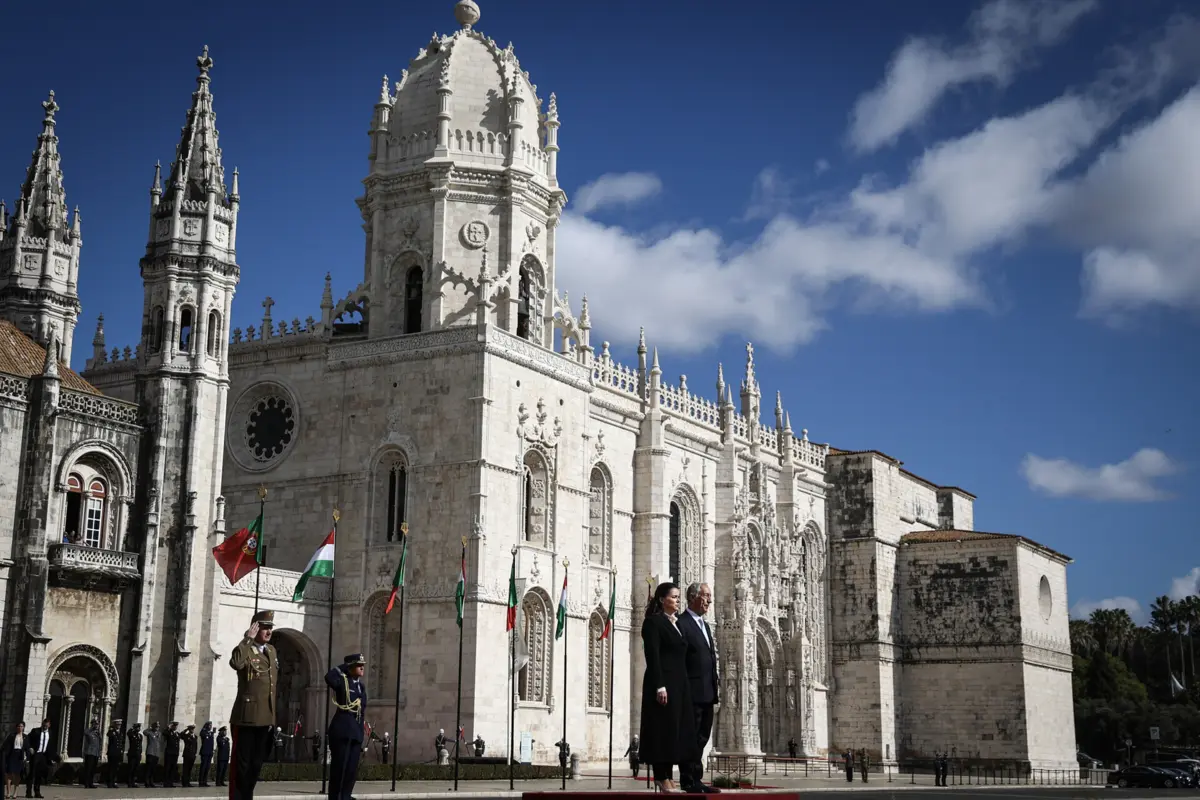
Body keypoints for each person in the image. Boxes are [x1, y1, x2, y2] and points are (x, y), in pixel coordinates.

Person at [638, 582, 698, 793]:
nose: (677, 600)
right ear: (662, 599)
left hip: (679, 684)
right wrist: (659, 686)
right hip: (663, 684)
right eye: (673, 597)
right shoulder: (653, 623)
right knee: (662, 729)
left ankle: (670, 776)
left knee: (675, 730)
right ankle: (661, 776)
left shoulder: (676, 624)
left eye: (678, 597)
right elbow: (652, 656)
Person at [229, 609, 279, 799]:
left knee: (256, 764)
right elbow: (236, 663)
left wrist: (273, 718)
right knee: (242, 766)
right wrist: (247, 639)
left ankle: (247, 796)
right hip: (247, 717)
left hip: (266, 717)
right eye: (264, 628)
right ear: (255, 628)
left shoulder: (271, 651)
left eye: (270, 628)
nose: (269, 632)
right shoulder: (246, 649)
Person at [679, 582, 719, 794]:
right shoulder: (682, 623)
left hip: (707, 692)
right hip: (692, 692)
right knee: (691, 737)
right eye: (706, 595)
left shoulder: (705, 625)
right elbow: (681, 660)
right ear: (693, 597)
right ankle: (688, 779)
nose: (710, 600)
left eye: (710, 596)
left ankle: (696, 778)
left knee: (702, 737)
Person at [326, 653, 368, 800]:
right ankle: (336, 797)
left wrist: (361, 734)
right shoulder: (343, 682)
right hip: (342, 731)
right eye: (358, 665)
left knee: (351, 770)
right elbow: (329, 677)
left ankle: (346, 796)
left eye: (363, 665)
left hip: (355, 733)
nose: (362, 667)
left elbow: (361, 711)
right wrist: (345, 666)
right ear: (351, 667)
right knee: (339, 769)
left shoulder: (361, 687)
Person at [24, 718, 56, 799]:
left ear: (49, 725)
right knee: (32, 773)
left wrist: (53, 757)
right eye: (44, 725)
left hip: (43, 756)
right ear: (42, 724)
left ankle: (37, 792)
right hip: (36, 754)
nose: (45, 727)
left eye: (46, 725)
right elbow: (27, 739)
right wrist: (30, 747)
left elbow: (51, 745)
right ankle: (28, 792)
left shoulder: (50, 733)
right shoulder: (35, 731)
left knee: (39, 774)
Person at [1, 721, 25, 800]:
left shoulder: (25, 737)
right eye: (18, 726)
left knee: (17, 775)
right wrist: (5, 753)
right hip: (12, 755)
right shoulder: (12, 735)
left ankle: (15, 793)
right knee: (9, 774)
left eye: (21, 726)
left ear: (23, 727)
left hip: (20, 756)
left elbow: (27, 747)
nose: (20, 728)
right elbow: (5, 745)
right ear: (16, 727)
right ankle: (8, 792)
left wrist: (27, 757)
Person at [81, 720, 102, 788]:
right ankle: (86, 783)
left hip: (96, 753)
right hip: (90, 752)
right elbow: (85, 733)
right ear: (92, 724)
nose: (97, 725)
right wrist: (92, 728)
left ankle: (91, 783)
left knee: (93, 769)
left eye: (97, 724)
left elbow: (100, 742)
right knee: (88, 768)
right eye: (95, 724)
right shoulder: (89, 731)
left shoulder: (98, 733)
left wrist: (99, 752)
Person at [105, 719, 123, 789]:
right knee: (111, 768)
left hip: (117, 753)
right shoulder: (112, 731)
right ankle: (109, 782)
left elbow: (120, 743)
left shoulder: (120, 732)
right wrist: (111, 729)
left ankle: (113, 782)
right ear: (115, 725)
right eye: (118, 724)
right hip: (112, 753)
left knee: (115, 768)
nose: (119, 726)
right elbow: (108, 734)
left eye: (120, 725)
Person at [143, 722, 163, 787]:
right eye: (156, 726)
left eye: (158, 727)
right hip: (150, 752)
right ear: (153, 727)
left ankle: (151, 782)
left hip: (156, 753)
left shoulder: (159, 733)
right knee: (148, 768)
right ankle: (147, 782)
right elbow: (144, 732)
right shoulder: (150, 732)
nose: (157, 728)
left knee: (153, 769)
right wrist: (150, 728)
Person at [163, 720, 180, 786]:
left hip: (175, 753)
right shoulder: (169, 732)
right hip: (169, 753)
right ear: (172, 726)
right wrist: (168, 727)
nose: (175, 727)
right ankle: (166, 782)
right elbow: (164, 733)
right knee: (167, 768)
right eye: (174, 726)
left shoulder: (177, 733)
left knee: (173, 768)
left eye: (176, 726)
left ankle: (171, 782)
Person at [125, 723, 143, 788]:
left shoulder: (140, 735)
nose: (138, 729)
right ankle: (129, 782)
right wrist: (132, 728)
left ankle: (134, 782)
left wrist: (140, 753)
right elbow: (128, 733)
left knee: (136, 769)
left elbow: (140, 745)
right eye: (137, 727)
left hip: (138, 754)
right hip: (132, 754)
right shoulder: (132, 734)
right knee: (131, 768)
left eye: (139, 727)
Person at [199, 722, 215, 787]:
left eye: (211, 725)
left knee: (207, 768)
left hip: (209, 753)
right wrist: (209, 732)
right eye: (209, 725)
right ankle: (201, 781)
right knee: (203, 767)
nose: (210, 727)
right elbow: (201, 734)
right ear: (206, 726)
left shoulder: (211, 733)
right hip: (205, 752)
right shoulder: (203, 732)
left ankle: (205, 781)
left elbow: (212, 743)